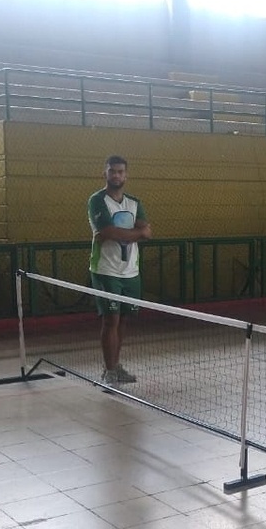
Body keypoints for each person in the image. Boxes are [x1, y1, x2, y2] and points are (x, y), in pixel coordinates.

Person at [88, 155, 151, 385]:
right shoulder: (97, 200)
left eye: (121, 171)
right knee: (110, 319)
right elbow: (107, 231)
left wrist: (126, 233)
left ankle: (116, 365)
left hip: (130, 272)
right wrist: (136, 233)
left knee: (123, 319)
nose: (116, 175)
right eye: (112, 171)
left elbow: (148, 232)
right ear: (104, 173)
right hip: (106, 269)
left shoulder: (134, 203)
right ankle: (109, 370)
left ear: (126, 175)